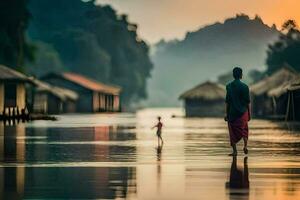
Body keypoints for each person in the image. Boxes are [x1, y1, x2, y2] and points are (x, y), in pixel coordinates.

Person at [225, 67, 251, 156]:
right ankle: (245, 146)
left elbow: (227, 102)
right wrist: (249, 114)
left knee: (232, 132)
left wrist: (226, 114)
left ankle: (235, 151)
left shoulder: (228, 86)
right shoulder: (245, 87)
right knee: (244, 130)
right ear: (241, 75)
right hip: (243, 113)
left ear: (233, 75)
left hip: (232, 113)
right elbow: (247, 102)